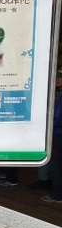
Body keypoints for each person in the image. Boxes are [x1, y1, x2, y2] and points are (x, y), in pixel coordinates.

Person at [41, 69, 62, 204]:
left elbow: (57, 117)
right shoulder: (57, 93)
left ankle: (57, 195)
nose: (57, 79)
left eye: (60, 78)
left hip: (58, 134)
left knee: (56, 165)